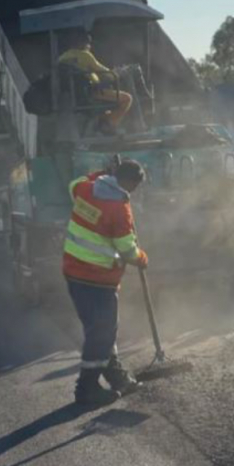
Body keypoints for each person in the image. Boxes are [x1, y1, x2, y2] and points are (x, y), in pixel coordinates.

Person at [63, 160, 148, 406]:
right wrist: (142, 258)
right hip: (96, 278)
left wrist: (101, 173)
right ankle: (86, 391)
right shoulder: (119, 209)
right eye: (135, 187)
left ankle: (116, 377)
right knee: (101, 333)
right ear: (130, 183)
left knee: (99, 329)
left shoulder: (85, 189)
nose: (134, 192)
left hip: (73, 272)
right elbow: (127, 250)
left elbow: (74, 183)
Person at [57, 29, 132, 134]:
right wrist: (118, 73)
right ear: (83, 43)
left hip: (77, 95)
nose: (88, 45)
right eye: (87, 43)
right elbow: (104, 71)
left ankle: (102, 122)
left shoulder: (63, 57)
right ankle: (108, 126)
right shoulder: (85, 55)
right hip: (93, 92)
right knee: (127, 99)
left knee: (108, 106)